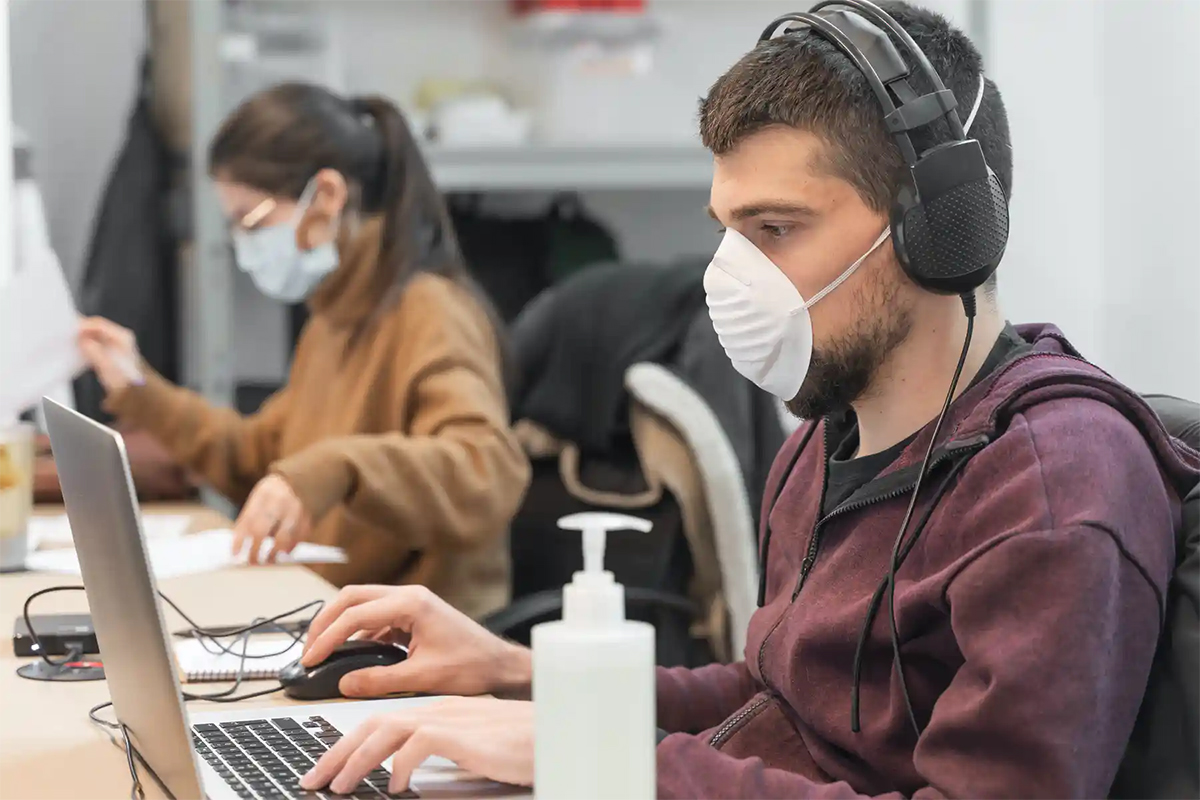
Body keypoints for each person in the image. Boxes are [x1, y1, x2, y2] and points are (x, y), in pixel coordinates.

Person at [285, 3, 1200, 798]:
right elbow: (777, 706)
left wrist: (601, 762)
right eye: (729, 231)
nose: (735, 277)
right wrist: (515, 677)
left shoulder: (1051, 486)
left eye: (776, 230)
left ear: (940, 229)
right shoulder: (823, 442)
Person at [76, 84, 530, 619]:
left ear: (329, 197)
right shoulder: (335, 316)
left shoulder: (431, 312)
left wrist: (337, 467)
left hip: (417, 642)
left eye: (252, 221)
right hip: (328, 612)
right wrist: (138, 387)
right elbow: (257, 456)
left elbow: (485, 472)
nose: (245, 246)